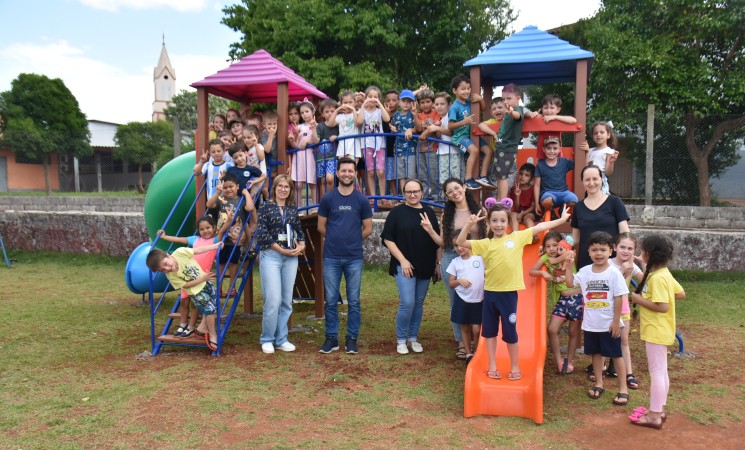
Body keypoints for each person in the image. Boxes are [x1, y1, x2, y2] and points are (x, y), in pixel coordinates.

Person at [456, 203, 571, 381]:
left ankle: (514, 366)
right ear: (489, 222)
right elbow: (461, 242)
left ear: (508, 222)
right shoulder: (485, 244)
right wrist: (469, 225)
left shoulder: (516, 238)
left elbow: (540, 227)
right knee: (490, 332)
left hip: (508, 295)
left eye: (502, 220)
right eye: (494, 221)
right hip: (490, 294)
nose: (499, 224)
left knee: (510, 332)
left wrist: (562, 220)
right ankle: (492, 365)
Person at [565, 231, 630, 406]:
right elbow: (570, 283)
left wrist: (616, 322)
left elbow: (619, 297)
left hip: (609, 324)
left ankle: (623, 388)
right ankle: (599, 383)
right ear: (589, 251)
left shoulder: (614, 273)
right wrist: (568, 265)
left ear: (611, 251)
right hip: (591, 324)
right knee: (595, 354)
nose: (599, 253)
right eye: (595, 250)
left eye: (603, 249)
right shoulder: (585, 271)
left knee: (616, 355)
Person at [317, 158, 374, 354]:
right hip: (331, 257)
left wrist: (351, 239)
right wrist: (335, 238)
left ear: (355, 173)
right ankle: (331, 338)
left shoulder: (361, 199)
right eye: (344, 171)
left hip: (354, 257)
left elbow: (368, 228)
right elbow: (320, 227)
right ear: (338, 173)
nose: (347, 174)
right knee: (331, 300)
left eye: (351, 171)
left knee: (354, 300)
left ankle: (352, 338)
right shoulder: (327, 198)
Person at [629, 234, 685, 429]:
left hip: (656, 330)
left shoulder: (658, 278)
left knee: (656, 372)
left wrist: (638, 300)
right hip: (662, 329)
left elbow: (662, 307)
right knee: (661, 371)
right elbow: (680, 293)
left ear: (649, 254)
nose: (639, 253)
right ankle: (659, 409)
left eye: (641, 251)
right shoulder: (663, 274)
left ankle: (653, 416)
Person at [381, 179, 440, 354]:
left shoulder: (429, 212)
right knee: (407, 302)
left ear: (422, 192)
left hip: (426, 263)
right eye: (409, 192)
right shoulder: (397, 212)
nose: (412, 195)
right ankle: (401, 339)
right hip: (404, 265)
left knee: (418, 303)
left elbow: (437, 241)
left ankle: (413, 338)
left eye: (416, 191)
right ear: (404, 194)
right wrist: (403, 260)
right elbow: (387, 239)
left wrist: (437, 263)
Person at [255, 174, 306, 354]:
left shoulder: (292, 209)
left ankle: (281, 338)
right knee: (273, 300)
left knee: (286, 301)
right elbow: (262, 234)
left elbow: (299, 231)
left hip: (291, 257)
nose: (283, 189)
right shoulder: (266, 207)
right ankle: (267, 338)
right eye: (280, 186)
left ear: (291, 190)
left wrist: (301, 245)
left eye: (287, 187)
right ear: (275, 188)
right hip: (271, 256)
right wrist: (281, 250)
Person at [157, 216, 231, 338]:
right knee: (184, 301)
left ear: (214, 228)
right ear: (198, 230)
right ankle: (183, 324)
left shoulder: (214, 241)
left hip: (201, 278)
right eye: (202, 229)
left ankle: (191, 327)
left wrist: (228, 221)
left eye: (208, 228)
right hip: (187, 277)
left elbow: (223, 231)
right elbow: (179, 239)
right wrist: (165, 237)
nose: (205, 231)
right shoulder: (194, 240)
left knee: (196, 304)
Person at [439, 178, 486, 359]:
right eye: (450, 191)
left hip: (476, 259)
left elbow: (488, 236)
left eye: (457, 188)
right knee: (456, 301)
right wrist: (439, 262)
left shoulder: (480, 211)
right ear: (447, 196)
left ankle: (478, 339)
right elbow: (443, 243)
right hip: (452, 258)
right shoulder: (447, 215)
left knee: (479, 298)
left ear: (464, 187)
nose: (454, 192)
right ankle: (461, 342)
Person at [146, 241, 224, 350]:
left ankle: (202, 327)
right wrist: (201, 279)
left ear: (168, 255)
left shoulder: (180, 252)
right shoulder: (171, 275)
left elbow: (198, 250)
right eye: (162, 270)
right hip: (195, 291)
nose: (167, 269)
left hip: (206, 283)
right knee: (210, 310)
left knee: (215, 306)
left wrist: (215, 246)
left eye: (165, 264)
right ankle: (212, 334)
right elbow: (186, 285)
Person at [529, 231, 581, 374]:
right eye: (547, 246)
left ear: (561, 245)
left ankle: (569, 362)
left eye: (554, 245)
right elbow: (531, 271)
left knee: (572, 331)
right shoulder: (546, 256)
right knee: (552, 329)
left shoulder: (568, 253)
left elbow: (556, 259)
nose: (551, 249)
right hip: (562, 300)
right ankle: (559, 361)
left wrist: (551, 259)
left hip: (576, 298)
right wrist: (542, 273)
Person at [571, 165, 630, 270]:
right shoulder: (578, 207)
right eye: (587, 180)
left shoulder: (615, 201)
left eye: (595, 179)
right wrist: (554, 248)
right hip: (586, 263)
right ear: (582, 182)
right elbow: (574, 240)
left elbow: (624, 233)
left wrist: (628, 260)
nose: (591, 183)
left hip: (611, 262)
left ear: (602, 180)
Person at [206, 174, 256, 294]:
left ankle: (232, 287)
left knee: (233, 264)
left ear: (237, 186)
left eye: (231, 187)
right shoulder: (221, 200)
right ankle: (219, 287)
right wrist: (217, 193)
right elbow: (209, 205)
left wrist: (246, 193)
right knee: (221, 263)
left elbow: (250, 208)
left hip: (236, 239)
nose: (228, 190)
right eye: (225, 188)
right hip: (222, 238)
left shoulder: (241, 200)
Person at [448, 74, 495, 191]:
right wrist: (464, 122)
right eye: (463, 89)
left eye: (468, 88)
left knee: (489, 151)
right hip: (459, 137)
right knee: (474, 151)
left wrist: (480, 99)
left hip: (471, 135)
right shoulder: (454, 107)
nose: (467, 91)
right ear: (455, 90)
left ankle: (483, 176)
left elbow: (483, 108)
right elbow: (450, 126)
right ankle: (468, 179)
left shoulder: (470, 101)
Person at [610, 232, 645, 390]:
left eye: (630, 248)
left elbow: (645, 281)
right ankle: (601, 368)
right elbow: (609, 285)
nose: (625, 251)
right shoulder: (608, 263)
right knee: (606, 339)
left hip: (623, 308)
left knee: (624, 341)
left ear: (634, 251)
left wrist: (643, 264)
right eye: (622, 247)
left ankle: (629, 373)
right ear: (615, 247)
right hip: (607, 308)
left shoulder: (633, 265)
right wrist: (622, 272)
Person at [446, 230, 484, 364]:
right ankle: (468, 354)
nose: (459, 248)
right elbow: (451, 283)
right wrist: (459, 281)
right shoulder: (455, 262)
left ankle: (478, 352)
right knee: (465, 327)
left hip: (478, 299)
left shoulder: (479, 258)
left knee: (477, 328)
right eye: (455, 246)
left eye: (461, 244)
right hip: (462, 299)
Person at [355, 86, 389, 199]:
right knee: (370, 172)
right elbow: (359, 122)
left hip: (380, 145)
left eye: (376, 97)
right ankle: (374, 197)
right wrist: (364, 104)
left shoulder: (379, 111)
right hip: (367, 144)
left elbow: (387, 119)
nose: (372, 99)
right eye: (370, 96)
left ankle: (383, 197)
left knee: (381, 172)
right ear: (366, 98)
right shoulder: (362, 111)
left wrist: (379, 104)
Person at [493, 83, 525, 200]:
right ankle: (499, 199)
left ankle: (502, 200)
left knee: (503, 176)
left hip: (508, 149)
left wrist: (511, 112)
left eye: (509, 98)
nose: (505, 101)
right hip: (501, 147)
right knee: (499, 176)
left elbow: (518, 116)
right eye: (503, 99)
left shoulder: (517, 110)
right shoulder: (507, 112)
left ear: (518, 98)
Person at [534, 135, 578, 217]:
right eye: (549, 148)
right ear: (543, 149)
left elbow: (579, 164)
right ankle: (551, 211)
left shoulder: (564, 162)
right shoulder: (540, 164)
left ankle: (562, 209)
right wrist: (536, 204)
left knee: (574, 200)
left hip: (563, 192)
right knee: (547, 201)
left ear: (560, 149)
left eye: (555, 148)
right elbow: (536, 185)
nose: (551, 151)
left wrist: (584, 152)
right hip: (548, 193)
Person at [525, 94, 577, 160]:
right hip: (542, 156)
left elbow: (573, 120)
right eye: (546, 108)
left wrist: (555, 117)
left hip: (557, 156)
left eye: (552, 108)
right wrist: (531, 114)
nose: (549, 111)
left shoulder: (559, 119)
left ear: (558, 110)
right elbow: (526, 114)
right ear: (542, 109)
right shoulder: (540, 118)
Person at [390, 90, 421, 192]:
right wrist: (391, 127)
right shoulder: (396, 115)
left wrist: (411, 129)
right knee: (401, 175)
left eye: (409, 101)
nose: (406, 103)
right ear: (399, 102)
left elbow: (418, 129)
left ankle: (411, 193)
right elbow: (391, 125)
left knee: (411, 175)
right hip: (398, 149)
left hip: (410, 149)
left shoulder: (413, 114)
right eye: (404, 100)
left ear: (413, 103)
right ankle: (404, 195)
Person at [291, 100, 318, 208]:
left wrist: (308, 141)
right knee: (298, 184)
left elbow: (316, 140)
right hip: (299, 157)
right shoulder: (299, 127)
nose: (304, 114)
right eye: (302, 113)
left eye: (307, 111)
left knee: (312, 182)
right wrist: (295, 137)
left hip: (311, 156)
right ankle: (299, 208)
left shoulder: (317, 125)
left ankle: (315, 206)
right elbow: (296, 144)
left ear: (312, 111)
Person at [579, 121, 619, 195]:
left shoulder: (609, 151)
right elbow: (586, 167)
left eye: (602, 132)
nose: (598, 135)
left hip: (600, 179)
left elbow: (608, 172)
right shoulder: (590, 150)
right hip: (588, 178)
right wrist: (587, 153)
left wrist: (611, 161)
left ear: (608, 135)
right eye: (595, 133)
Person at [415, 88, 441, 200]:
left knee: (433, 174)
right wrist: (415, 114)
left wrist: (425, 133)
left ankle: (436, 197)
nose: (425, 105)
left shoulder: (436, 113)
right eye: (422, 102)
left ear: (432, 102)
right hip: (420, 148)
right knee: (422, 175)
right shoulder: (419, 115)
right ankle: (424, 196)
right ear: (419, 104)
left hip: (433, 148)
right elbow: (418, 128)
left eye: (428, 101)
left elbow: (435, 126)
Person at [313, 98, 340, 196]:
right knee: (323, 181)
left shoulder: (338, 126)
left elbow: (344, 135)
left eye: (332, 111)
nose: (330, 113)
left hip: (333, 157)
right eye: (327, 111)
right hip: (321, 158)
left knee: (330, 178)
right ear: (323, 114)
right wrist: (313, 129)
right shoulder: (320, 126)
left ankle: (330, 199)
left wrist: (337, 137)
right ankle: (324, 201)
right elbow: (316, 140)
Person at [432, 92, 458, 186]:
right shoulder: (441, 119)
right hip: (442, 151)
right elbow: (440, 136)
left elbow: (451, 132)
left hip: (453, 152)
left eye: (442, 104)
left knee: (455, 179)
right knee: (443, 180)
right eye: (437, 104)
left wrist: (437, 128)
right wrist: (437, 128)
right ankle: (446, 200)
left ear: (449, 105)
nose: (439, 107)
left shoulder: (450, 116)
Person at [329, 91, 360, 162]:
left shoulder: (357, 113)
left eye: (350, 102)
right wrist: (336, 111)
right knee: (343, 167)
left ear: (355, 103)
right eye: (345, 103)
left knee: (352, 168)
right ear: (341, 104)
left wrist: (353, 109)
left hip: (353, 148)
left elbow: (357, 123)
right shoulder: (340, 116)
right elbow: (330, 124)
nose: (348, 105)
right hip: (342, 148)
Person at [382, 90, 400, 201]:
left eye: (394, 100)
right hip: (388, 148)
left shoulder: (401, 115)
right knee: (390, 175)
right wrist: (387, 115)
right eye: (388, 100)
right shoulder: (383, 115)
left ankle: (402, 196)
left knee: (402, 174)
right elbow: (384, 128)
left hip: (401, 148)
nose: (391, 103)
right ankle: (394, 197)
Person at [509, 163, 536, 232]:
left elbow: (533, 207)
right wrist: (517, 196)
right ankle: (515, 232)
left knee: (527, 218)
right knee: (513, 214)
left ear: (532, 178)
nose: (522, 176)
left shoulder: (533, 189)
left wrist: (523, 214)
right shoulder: (514, 189)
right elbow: (516, 207)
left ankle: (532, 234)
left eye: (526, 175)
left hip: (530, 212)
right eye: (521, 174)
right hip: (518, 212)